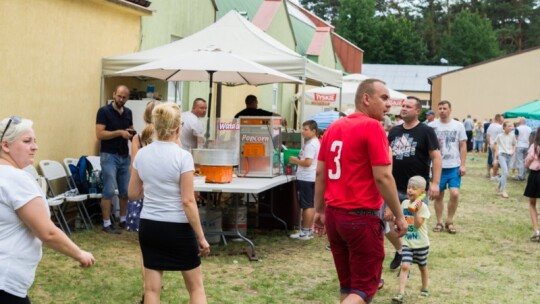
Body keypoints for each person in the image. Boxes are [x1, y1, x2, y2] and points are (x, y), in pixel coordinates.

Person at [313, 79, 408, 304]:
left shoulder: (334, 127)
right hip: (360, 218)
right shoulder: (372, 126)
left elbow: (320, 173)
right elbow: (383, 176)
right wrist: (399, 214)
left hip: (335, 216)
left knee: (348, 287)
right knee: (364, 289)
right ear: (366, 99)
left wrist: (319, 210)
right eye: (383, 98)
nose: (389, 105)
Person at [0, 116, 95, 303]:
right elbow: (47, 232)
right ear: (5, 146)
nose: (35, 147)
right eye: (27, 141)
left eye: (35, 141)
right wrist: (80, 254)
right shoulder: (17, 179)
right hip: (6, 281)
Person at [128, 103, 210, 304]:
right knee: (196, 288)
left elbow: (133, 193)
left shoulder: (142, 155)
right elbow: (188, 200)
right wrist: (201, 237)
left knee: (152, 290)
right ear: (178, 128)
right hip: (178, 227)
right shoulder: (183, 157)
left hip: (150, 225)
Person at [386, 96, 441, 271]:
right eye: (403, 105)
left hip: (416, 190)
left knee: (413, 227)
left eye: (408, 106)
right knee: (387, 222)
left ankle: (412, 260)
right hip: (393, 187)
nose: (404, 108)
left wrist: (435, 183)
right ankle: (401, 250)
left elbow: (436, 157)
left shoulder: (426, 131)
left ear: (418, 111)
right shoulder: (394, 131)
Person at [96, 84, 134, 234]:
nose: (121, 99)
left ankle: (123, 221)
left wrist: (133, 135)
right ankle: (106, 224)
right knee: (109, 191)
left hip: (124, 155)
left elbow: (130, 130)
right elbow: (99, 134)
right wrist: (119, 132)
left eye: (124, 97)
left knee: (125, 192)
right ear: (114, 94)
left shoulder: (128, 112)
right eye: (119, 96)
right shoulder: (104, 111)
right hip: (109, 155)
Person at [429, 100, 467, 234]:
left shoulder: (458, 126)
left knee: (455, 193)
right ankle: (439, 222)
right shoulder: (432, 126)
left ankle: (450, 221)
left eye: (445, 108)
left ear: (450, 110)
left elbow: (463, 146)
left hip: (453, 166)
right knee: (438, 195)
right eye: (440, 108)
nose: (442, 111)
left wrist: (462, 164)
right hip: (438, 167)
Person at [391, 176, 431, 303]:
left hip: (421, 244)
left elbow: (418, 225)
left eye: (414, 189)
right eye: (409, 187)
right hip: (407, 243)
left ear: (422, 193)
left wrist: (416, 211)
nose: (410, 190)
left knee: (422, 266)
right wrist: (395, 221)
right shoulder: (403, 204)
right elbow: (401, 220)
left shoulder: (423, 207)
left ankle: (425, 288)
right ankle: (401, 293)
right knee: (405, 266)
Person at [126, 100, 161, 233]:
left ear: (145, 117)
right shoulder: (169, 137)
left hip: (144, 185)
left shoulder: (138, 138)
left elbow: (134, 166)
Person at [288, 120, 320, 241]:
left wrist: (294, 160)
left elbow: (307, 163)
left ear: (313, 131)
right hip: (309, 177)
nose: (303, 131)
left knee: (307, 205)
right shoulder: (312, 143)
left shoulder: (311, 144)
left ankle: (305, 231)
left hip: (307, 177)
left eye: (306, 129)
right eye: (302, 129)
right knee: (309, 204)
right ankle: (307, 230)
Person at [493, 121, 517, 198]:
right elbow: (495, 143)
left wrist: (513, 151)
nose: (511, 127)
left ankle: (498, 188)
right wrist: (497, 152)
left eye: (511, 126)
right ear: (504, 127)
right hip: (501, 155)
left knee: (504, 173)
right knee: (505, 172)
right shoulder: (499, 136)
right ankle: (503, 191)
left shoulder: (512, 136)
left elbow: (514, 144)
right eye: (509, 126)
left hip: (509, 156)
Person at [524, 128, 540, 241]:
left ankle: (536, 230)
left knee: (532, 203)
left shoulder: (534, 147)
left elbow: (528, 161)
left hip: (535, 175)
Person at [486, 114, 503, 179]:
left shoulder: (490, 126)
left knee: (490, 158)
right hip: (497, 145)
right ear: (499, 119)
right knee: (496, 159)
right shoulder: (500, 127)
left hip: (491, 144)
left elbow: (488, 136)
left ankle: (488, 172)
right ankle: (494, 174)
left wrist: (489, 144)